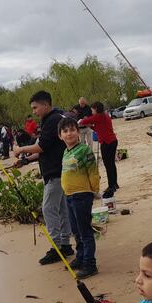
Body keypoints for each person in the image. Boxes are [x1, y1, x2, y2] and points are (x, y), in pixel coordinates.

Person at [13, 91, 74, 264]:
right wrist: (25, 160)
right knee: (61, 210)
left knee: (48, 210)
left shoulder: (53, 120)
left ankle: (57, 248)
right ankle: (65, 245)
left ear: (46, 105)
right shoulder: (52, 119)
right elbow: (45, 149)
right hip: (58, 172)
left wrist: (20, 150)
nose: (34, 111)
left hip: (55, 173)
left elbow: (40, 146)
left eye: (35, 107)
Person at [58, 117, 100, 278]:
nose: (69, 133)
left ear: (78, 132)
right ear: (60, 135)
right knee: (76, 231)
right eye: (65, 131)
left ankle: (90, 264)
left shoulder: (84, 150)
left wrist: (94, 190)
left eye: (72, 130)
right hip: (69, 197)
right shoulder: (66, 152)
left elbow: (93, 172)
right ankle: (81, 257)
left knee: (85, 232)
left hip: (82, 196)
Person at [78, 101, 120, 197]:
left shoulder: (99, 116)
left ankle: (111, 186)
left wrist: (80, 121)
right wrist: (91, 126)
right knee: (111, 164)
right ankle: (114, 183)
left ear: (96, 109)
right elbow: (98, 128)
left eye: (92, 110)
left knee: (108, 164)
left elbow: (84, 121)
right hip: (112, 141)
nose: (92, 112)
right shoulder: (105, 115)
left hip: (107, 143)